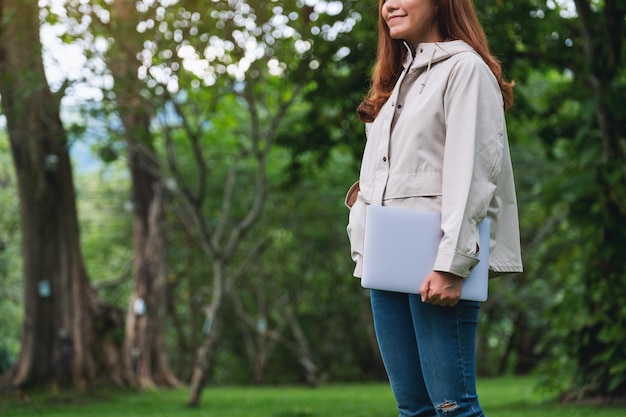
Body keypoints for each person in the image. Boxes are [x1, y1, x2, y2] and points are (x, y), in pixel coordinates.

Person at [344, 0, 523, 416]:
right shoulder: (395, 82)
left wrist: (452, 264)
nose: (389, 5)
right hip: (387, 262)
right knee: (415, 409)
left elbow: (471, 175)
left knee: (451, 408)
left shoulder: (466, 70)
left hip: (437, 267)